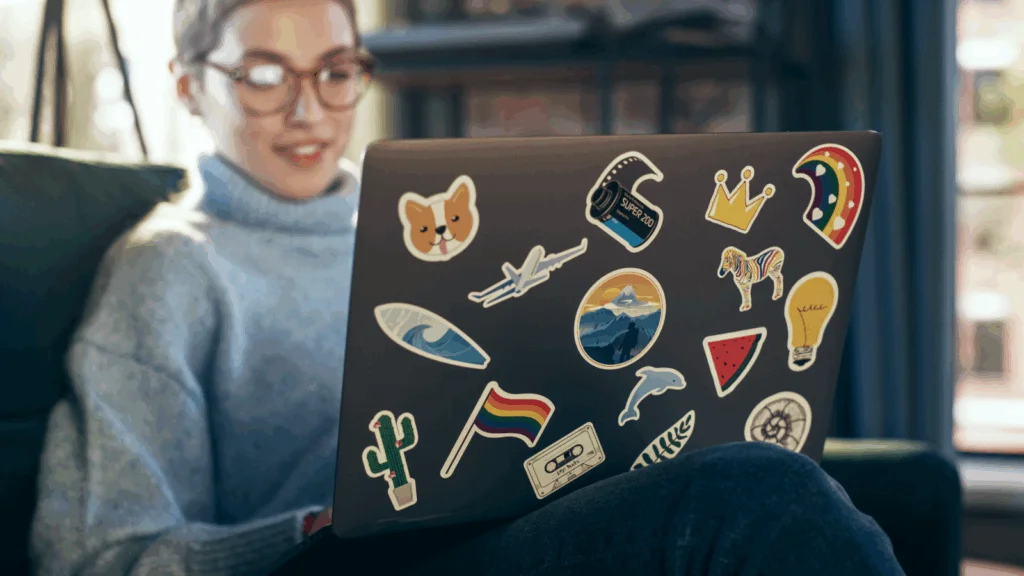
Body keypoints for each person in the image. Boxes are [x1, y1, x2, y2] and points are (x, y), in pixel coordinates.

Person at [28, 1, 906, 575]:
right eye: (264, 76)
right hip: (348, 565)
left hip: (512, 515)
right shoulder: (169, 269)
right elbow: (100, 556)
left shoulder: (438, 228)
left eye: (335, 70)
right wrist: (303, 529)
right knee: (756, 495)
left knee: (882, 483)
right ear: (188, 86)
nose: (308, 109)